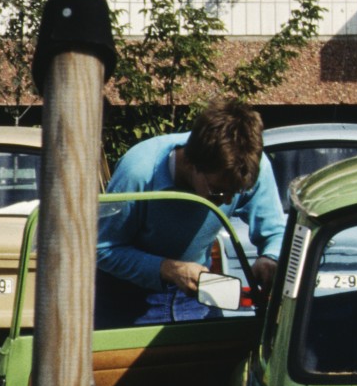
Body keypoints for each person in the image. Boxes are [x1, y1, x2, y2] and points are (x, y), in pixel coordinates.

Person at [95, 97, 284, 327]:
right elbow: (102, 249)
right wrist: (168, 269)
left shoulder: (249, 166)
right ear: (192, 163)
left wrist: (270, 257)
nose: (225, 201)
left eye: (236, 193)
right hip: (129, 303)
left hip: (198, 295)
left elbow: (275, 232)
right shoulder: (138, 172)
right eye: (218, 192)